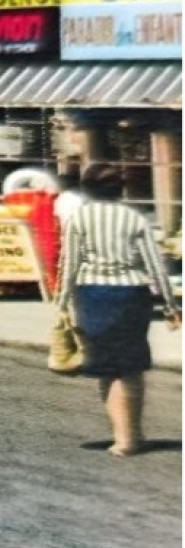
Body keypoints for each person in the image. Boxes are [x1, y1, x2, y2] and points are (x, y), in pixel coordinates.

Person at [54, 164, 182, 457]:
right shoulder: (134, 219)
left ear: (87, 189)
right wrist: (170, 305)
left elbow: (69, 265)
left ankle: (122, 438)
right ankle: (132, 435)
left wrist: (62, 303)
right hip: (131, 294)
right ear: (120, 189)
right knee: (131, 366)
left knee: (107, 366)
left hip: (93, 295)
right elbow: (155, 266)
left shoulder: (79, 218)